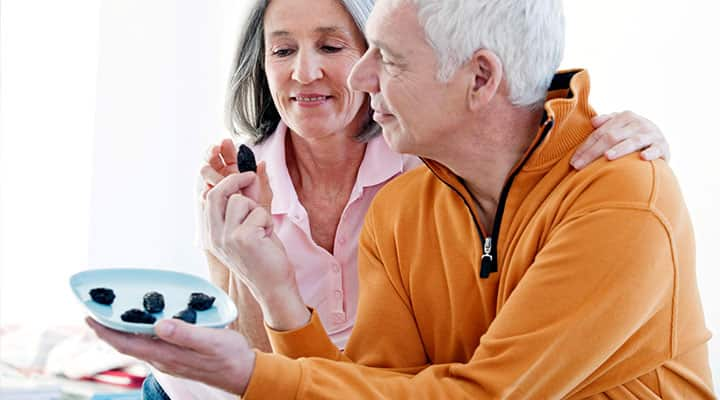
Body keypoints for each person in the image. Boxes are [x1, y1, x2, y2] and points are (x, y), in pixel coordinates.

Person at [89, 0, 708, 398]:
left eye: (383, 57)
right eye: (284, 50)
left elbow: (489, 396)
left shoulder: (620, 192)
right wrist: (273, 288)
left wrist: (249, 375)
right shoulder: (408, 207)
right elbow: (368, 386)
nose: (357, 76)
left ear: (480, 78)